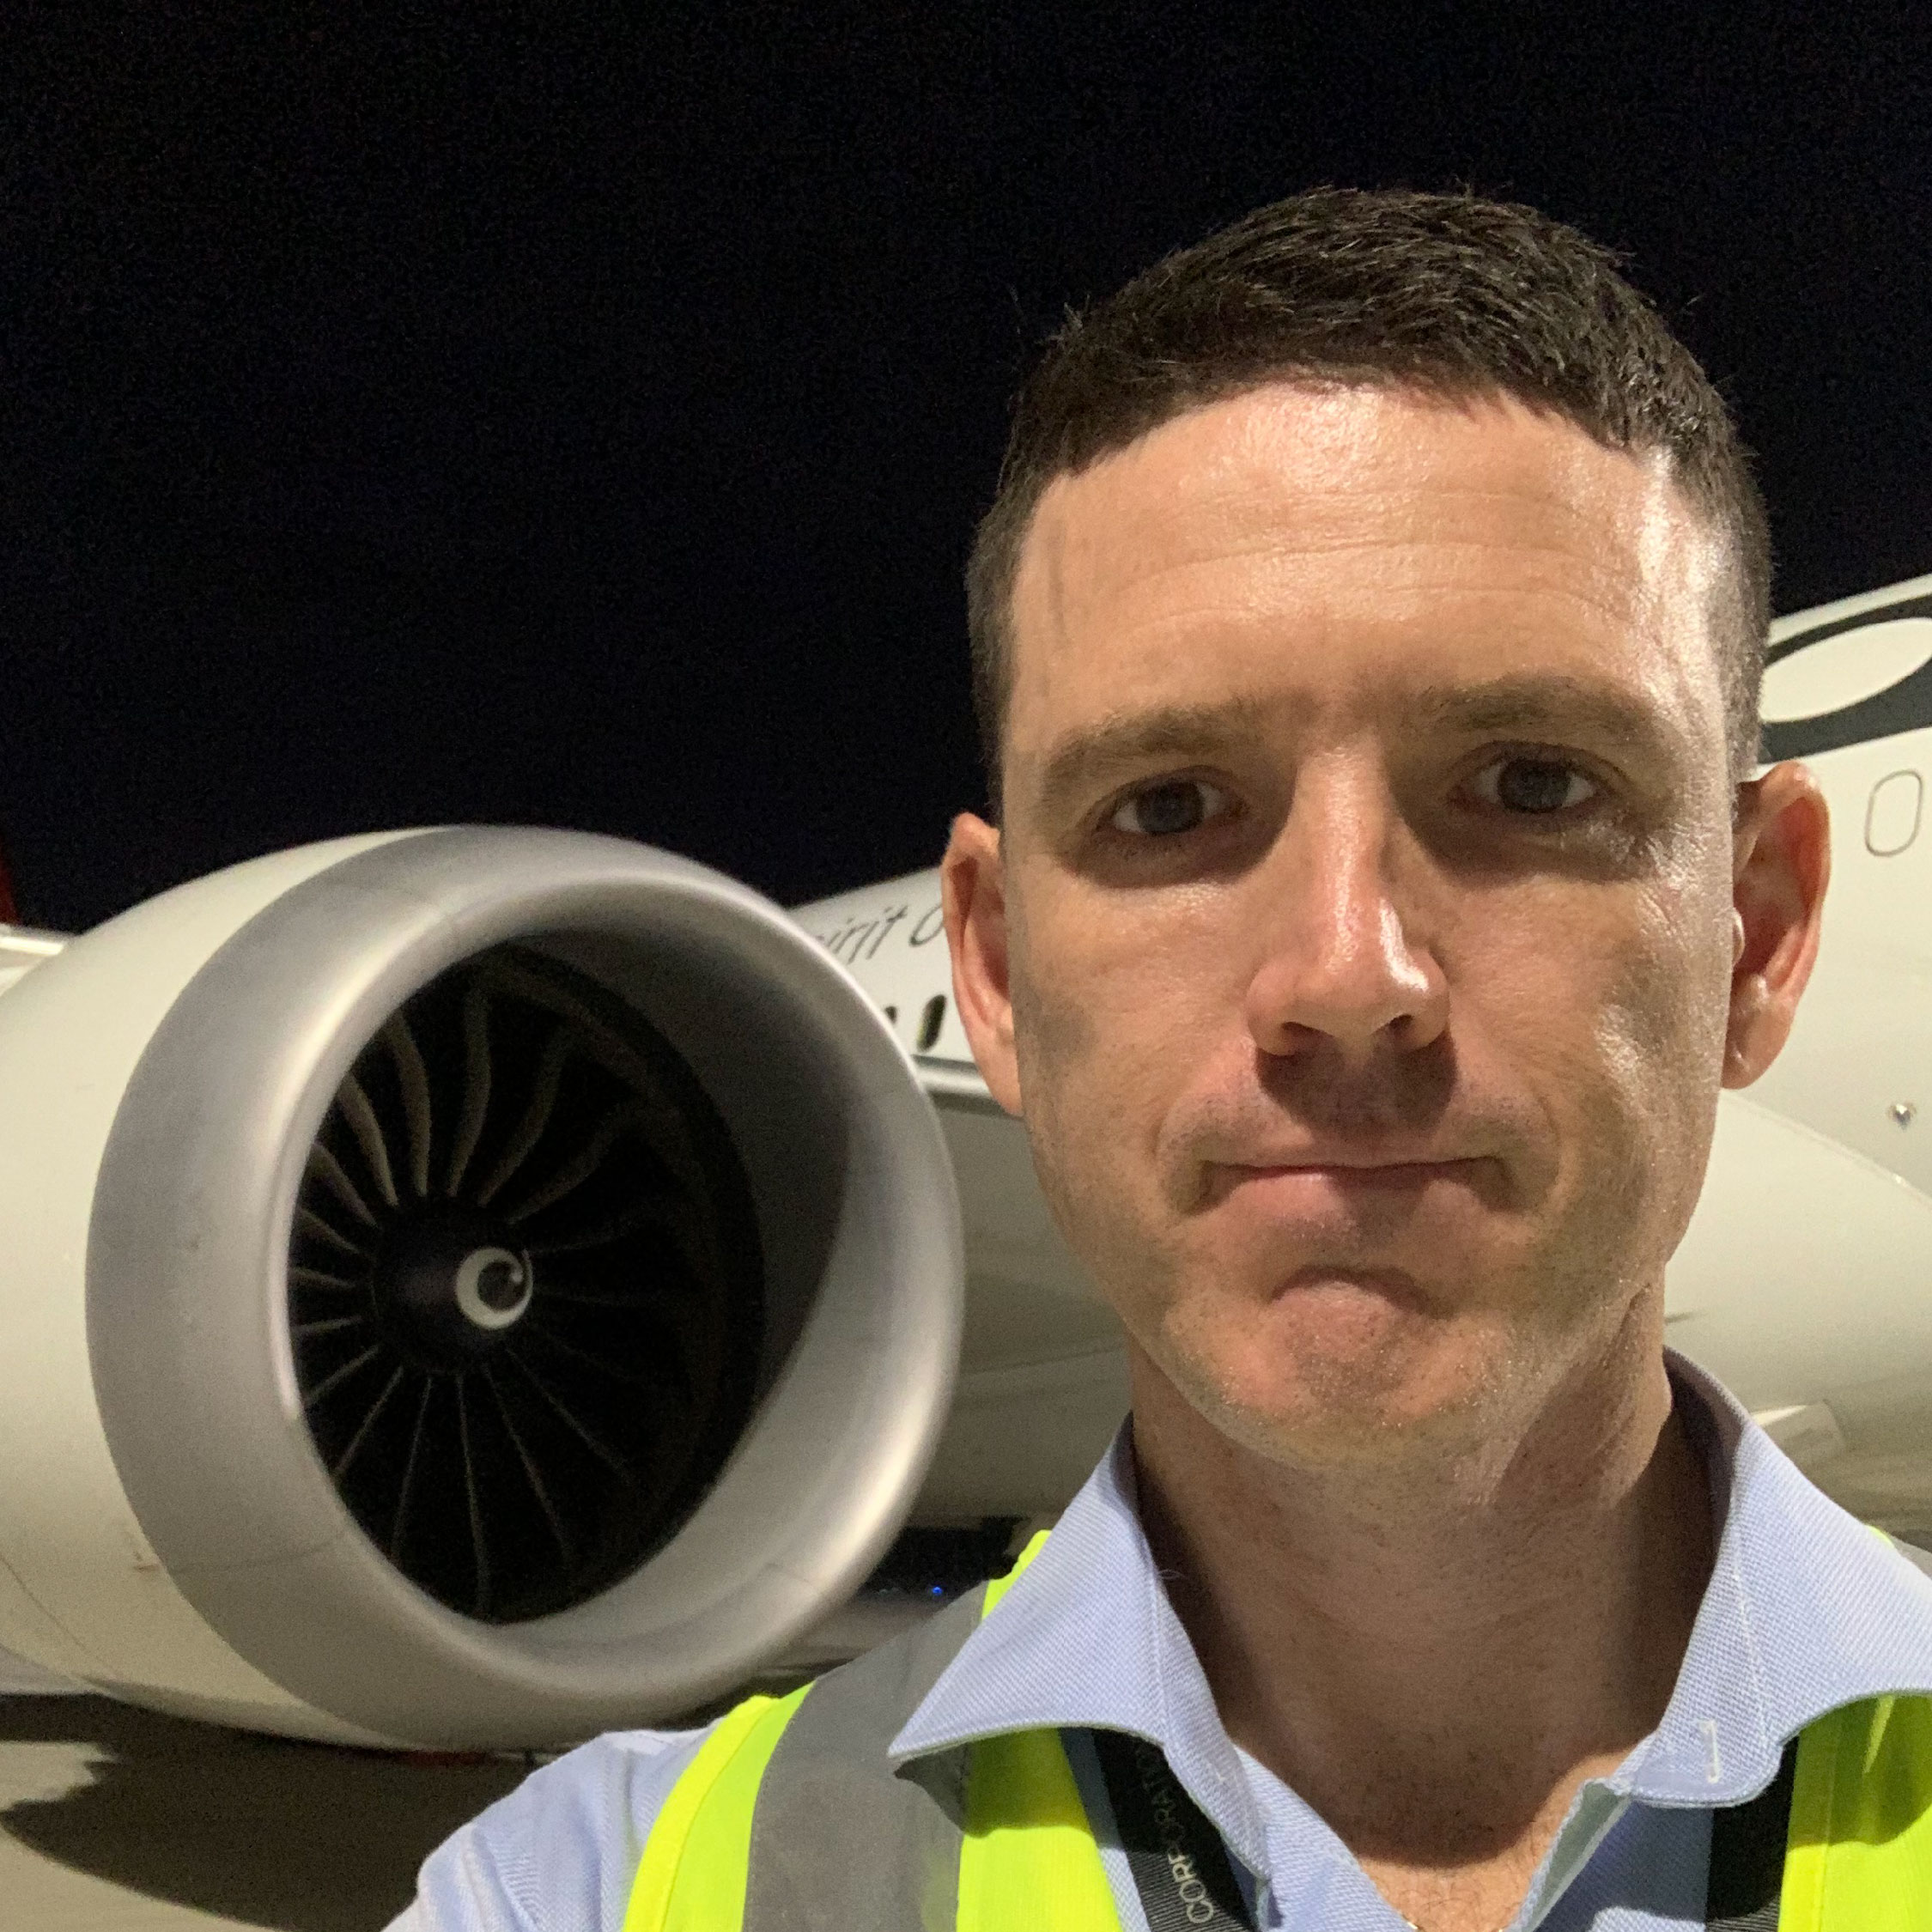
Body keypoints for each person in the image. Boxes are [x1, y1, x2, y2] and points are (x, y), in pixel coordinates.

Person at [392, 189, 1932, 1932]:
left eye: (1531, 785)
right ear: (994, 974)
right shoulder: (590, 1888)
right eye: (1171, 806)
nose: (1350, 977)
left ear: (1758, 929)